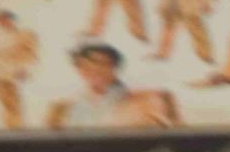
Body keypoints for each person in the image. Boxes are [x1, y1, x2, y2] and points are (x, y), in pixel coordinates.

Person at [47, 43, 181, 129]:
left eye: (102, 64)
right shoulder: (62, 108)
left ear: (114, 67)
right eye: (86, 66)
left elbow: (169, 132)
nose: (95, 69)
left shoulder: (147, 99)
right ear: (79, 69)